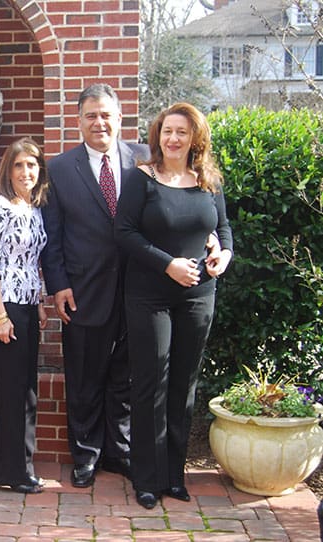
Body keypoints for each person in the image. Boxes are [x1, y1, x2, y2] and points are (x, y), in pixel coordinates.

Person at [115, 102, 233, 509]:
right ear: (158, 135)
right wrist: (168, 264)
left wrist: (225, 254)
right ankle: (146, 478)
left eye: (182, 131)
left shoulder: (208, 181)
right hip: (149, 295)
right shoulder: (142, 178)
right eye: (167, 131)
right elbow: (124, 233)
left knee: (183, 386)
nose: (173, 138)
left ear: (195, 138)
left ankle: (174, 476)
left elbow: (222, 228)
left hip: (198, 295)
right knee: (151, 384)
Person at [40, 84, 145, 488]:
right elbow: (53, 234)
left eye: (106, 115)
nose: (99, 123)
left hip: (137, 289)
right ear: (79, 121)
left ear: (119, 119)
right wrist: (59, 285)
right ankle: (85, 454)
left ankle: (120, 453)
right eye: (90, 116)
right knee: (84, 377)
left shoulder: (143, 161)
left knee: (126, 377)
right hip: (83, 291)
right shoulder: (61, 169)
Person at [0, 137, 49, 494]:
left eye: (33, 165)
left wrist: (38, 300)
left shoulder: (33, 208)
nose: (26, 172)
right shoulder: (0, 207)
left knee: (27, 390)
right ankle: (10, 471)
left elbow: (31, 261)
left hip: (25, 305)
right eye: (20, 165)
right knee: (11, 391)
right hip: (3, 308)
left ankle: (21, 464)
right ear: (8, 169)